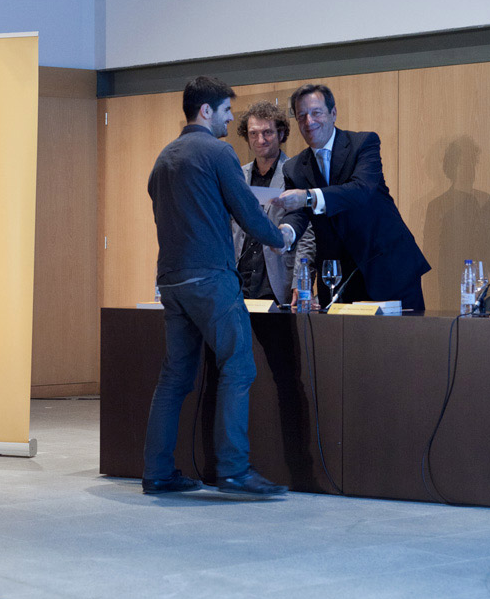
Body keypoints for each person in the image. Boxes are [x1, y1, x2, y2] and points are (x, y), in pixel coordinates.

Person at [143, 76, 289, 497]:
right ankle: (234, 470)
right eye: (226, 111)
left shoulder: (164, 158)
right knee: (239, 367)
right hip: (211, 279)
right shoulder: (218, 152)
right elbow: (247, 211)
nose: (230, 120)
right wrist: (280, 238)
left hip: (171, 281)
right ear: (205, 111)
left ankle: (158, 473)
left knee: (174, 377)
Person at [273, 84, 430, 309]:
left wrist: (308, 196)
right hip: (336, 277)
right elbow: (297, 213)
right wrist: (286, 233)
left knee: (401, 333)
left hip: (387, 268)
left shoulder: (363, 144)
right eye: (301, 116)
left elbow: (360, 190)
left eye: (316, 113)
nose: (309, 122)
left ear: (333, 113)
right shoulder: (294, 167)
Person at [232, 100, 315, 305]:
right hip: (238, 284)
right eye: (253, 133)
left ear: (280, 134)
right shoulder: (237, 176)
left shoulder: (297, 173)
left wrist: (301, 281)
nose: (260, 139)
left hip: (278, 284)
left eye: (267, 132)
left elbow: (307, 234)